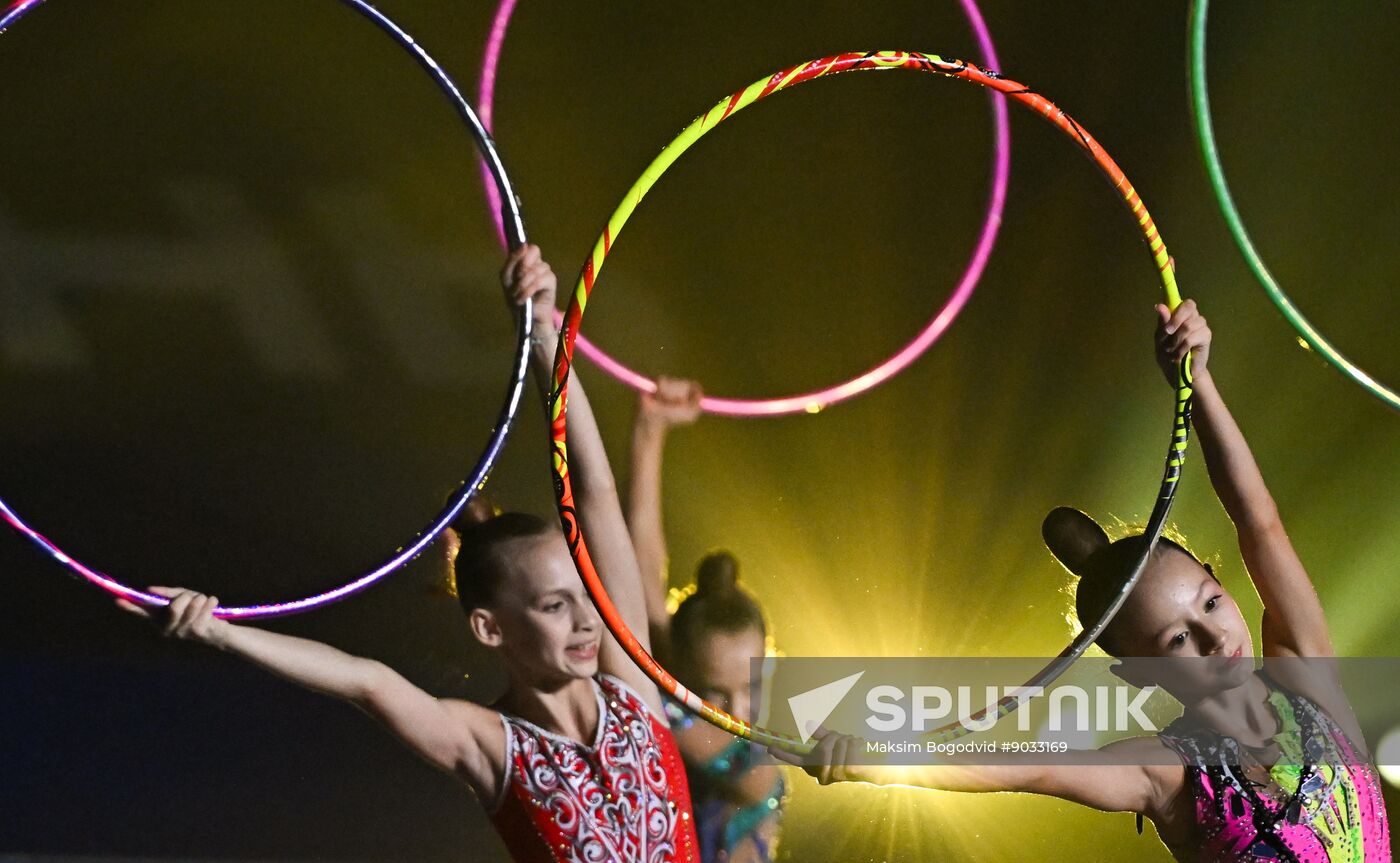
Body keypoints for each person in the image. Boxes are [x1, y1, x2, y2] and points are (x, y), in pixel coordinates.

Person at [121, 245, 701, 863]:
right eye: (555, 606)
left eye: (585, 598)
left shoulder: (637, 682)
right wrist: (218, 631)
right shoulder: (494, 746)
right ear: (489, 627)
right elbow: (367, 683)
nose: (589, 619)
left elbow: (596, 492)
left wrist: (543, 339)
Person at [777, 300, 1391, 862]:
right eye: (1176, 640)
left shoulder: (1305, 673)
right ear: (1136, 671)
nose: (1212, 638)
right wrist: (876, 760)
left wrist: (1195, 379)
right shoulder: (1167, 773)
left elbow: (1258, 521)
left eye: (1210, 602)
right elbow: (1029, 767)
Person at [629, 378, 784, 863]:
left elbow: (652, 682)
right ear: (679, 669)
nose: (738, 710)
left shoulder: (760, 765)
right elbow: (642, 573)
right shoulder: (665, 698)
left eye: (751, 686)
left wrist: (645, 681)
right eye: (716, 692)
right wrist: (649, 431)